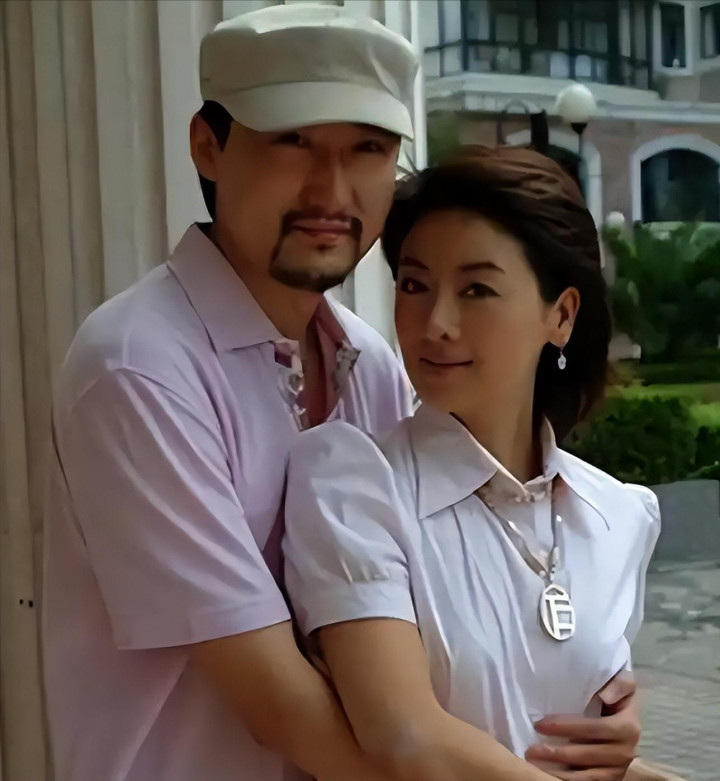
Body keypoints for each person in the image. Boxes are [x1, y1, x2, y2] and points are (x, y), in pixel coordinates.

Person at [42, 3, 641, 780]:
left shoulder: (372, 364)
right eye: (292, 140)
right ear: (208, 146)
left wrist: (596, 703)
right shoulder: (140, 370)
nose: (331, 189)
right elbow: (289, 709)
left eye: (368, 149)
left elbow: (439, 641)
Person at [284, 146, 661, 781]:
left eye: (476, 289)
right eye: (414, 285)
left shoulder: (619, 514)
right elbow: (405, 737)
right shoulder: (355, 484)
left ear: (560, 315)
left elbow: (582, 755)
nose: (436, 322)